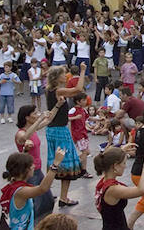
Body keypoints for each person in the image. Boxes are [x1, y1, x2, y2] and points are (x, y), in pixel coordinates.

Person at [44, 64, 86, 207]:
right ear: (57, 77)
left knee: (53, 162)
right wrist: (82, 71)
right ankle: (63, 197)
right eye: (63, 74)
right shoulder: (59, 90)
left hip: (51, 129)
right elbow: (78, 90)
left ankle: (46, 192)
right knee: (66, 164)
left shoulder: (49, 90)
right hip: (60, 130)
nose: (65, 76)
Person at [0, 148, 65, 230]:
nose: (34, 166)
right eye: (31, 165)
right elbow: (43, 188)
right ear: (25, 170)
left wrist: (25, 152)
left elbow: (18, 164)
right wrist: (55, 164)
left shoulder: (13, 184)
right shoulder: (21, 191)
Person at [94, 148, 144, 230]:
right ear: (115, 166)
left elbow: (107, 158)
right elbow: (142, 190)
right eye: (124, 163)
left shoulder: (104, 180)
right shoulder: (113, 189)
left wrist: (121, 150)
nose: (125, 166)